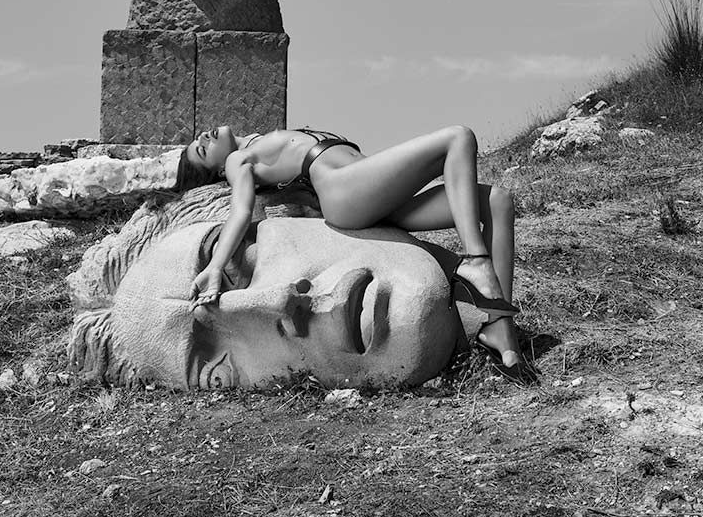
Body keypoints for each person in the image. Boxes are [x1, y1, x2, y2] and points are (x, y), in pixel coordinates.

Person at [174, 124, 523, 368]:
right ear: (219, 171)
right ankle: (476, 263)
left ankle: (500, 331)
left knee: (497, 202)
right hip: (343, 193)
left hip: (378, 198)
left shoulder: (258, 141)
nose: (204, 137)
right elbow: (240, 211)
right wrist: (216, 267)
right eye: (202, 150)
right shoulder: (237, 161)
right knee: (458, 137)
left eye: (199, 137)